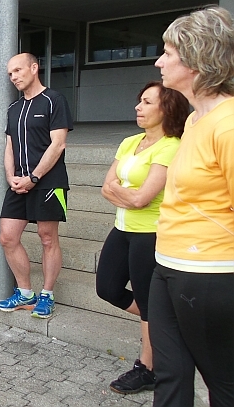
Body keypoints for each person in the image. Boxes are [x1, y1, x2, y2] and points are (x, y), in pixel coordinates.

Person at [151, 7, 234, 406]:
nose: (159, 61)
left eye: (168, 53)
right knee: (169, 376)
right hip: (168, 266)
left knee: (223, 385)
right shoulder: (195, 120)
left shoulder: (228, 123)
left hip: (210, 273)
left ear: (198, 58)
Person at [96, 82, 189, 395]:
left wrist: (122, 193)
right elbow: (105, 186)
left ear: (166, 109)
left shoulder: (171, 145)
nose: (138, 106)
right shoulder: (130, 142)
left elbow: (142, 199)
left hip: (150, 233)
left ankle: (148, 368)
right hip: (122, 229)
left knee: (149, 304)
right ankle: (167, 322)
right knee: (107, 287)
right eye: (140, 101)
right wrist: (127, 194)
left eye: (147, 102)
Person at [0, 53, 73, 319]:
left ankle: (47, 295)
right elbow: (9, 146)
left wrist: (35, 177)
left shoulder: (54, 100)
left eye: (18, 70)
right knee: (7, 237)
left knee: (48, 238)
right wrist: (10, 176)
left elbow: (58, 144)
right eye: (10, 73)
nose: (14, 76)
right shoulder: (13, 109)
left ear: (34, 67)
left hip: (48, 182)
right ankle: (26, 293)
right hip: (19, 181)